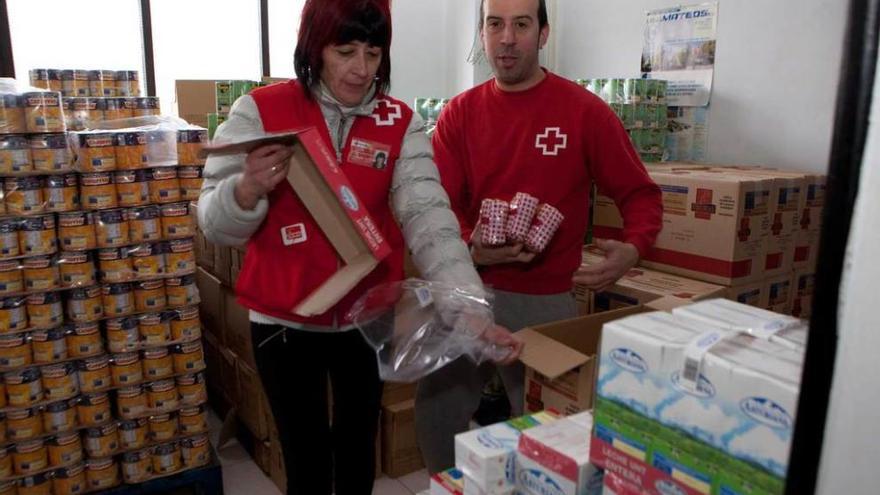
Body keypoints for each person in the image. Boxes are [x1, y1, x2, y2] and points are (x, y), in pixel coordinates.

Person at [197, 1, 523, 493]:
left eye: (373, 53)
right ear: (315, 47)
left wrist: (467, 307)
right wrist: (244, 191)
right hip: (284, 322)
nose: (360, 69)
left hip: (366, 320)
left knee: (356, 454)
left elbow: (429, 218)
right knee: (304, 458)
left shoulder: (399, 121)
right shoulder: (260, 111)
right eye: (345, 51)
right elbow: (213, 224)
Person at [415, 0, 663, 473]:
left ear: (543, 35)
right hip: (470, 290)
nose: (506, 38)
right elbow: (439, 208)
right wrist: (472, 245)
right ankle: (447, 485)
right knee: (436, 407)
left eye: (521, 25)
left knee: (550, 426)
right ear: (483, 34)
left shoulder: (584, 112)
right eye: (495, 25)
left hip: (546, 300)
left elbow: (641, 195)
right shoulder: (459, 115)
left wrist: (633, 247)